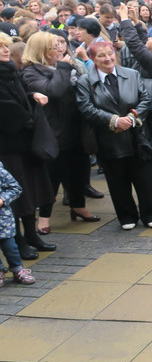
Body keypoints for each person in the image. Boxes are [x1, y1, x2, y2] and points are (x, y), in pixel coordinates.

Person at [76, 40, 152, 230]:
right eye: (101, 55)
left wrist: (131, 117)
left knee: (144, 178)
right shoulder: (85, 81)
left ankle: (151, 214)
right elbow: (86, 108)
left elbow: (145, 98)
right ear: (92, 59)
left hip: (136, 136)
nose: (107, 58)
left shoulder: (132, 74)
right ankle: (126, 215)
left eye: (110, 53)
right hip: (108, 138)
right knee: (116, 179)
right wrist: (113, 120)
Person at [20, 32, 100, 228]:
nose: (58, 50)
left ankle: (78, 206)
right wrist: (64, 67)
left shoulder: (64, 66)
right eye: (53, 47)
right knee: (52, 176)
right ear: (42, 50)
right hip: (53, 132)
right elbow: (54, 90)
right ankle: (45, 216)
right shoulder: (30, 71)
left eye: (59, 45)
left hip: (75, 128)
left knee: (79, 171)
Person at [0, 32, 55, 258]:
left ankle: (31, 235)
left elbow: (22, 93)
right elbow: (5, 108)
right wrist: (28, 119)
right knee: (16, 193)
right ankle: (19, 240)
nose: (6, 50)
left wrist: (32, 94)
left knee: (31, 189)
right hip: (8, 144)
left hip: (26, 141)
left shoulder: (11, 70)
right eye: (1, 47)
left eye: (7, 46)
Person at [0, 161, 35, 286]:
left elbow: (15, 188)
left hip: (2, 221)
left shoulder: (1, 172)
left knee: (10, 247)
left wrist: (2, 199)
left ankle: (17, 269)